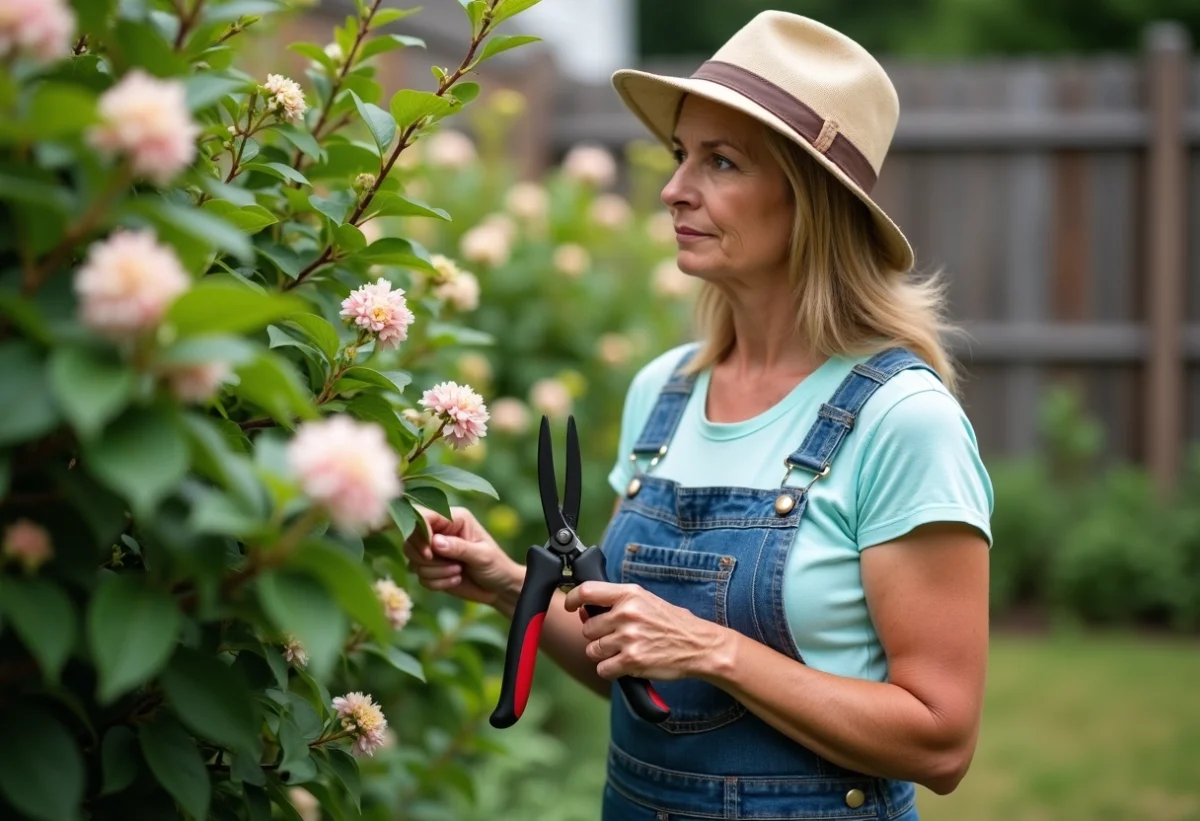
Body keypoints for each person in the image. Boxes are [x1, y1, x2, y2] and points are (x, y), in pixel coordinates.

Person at [404, 11, 993, 820]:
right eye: (682, 155)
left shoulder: (901, 421)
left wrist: (713, 648)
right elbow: (632, 658)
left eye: (721, 162)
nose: (674, 188)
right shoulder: (665, 392)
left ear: (811, 199)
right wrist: (509, 585)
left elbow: (942, 740)